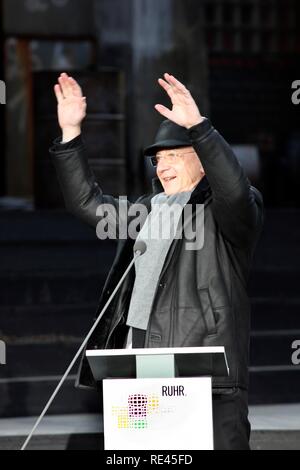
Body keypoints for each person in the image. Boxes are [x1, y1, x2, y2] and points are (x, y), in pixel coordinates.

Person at [50, 72, 264, 450]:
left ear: (203, 163)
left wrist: (199, 128)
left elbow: (233, 189)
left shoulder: (228, 210)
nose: (162, 167)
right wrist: (70, 133)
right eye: (158, 160)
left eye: (174, 157)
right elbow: (87, 204)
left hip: (208, 379)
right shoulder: (146, 211)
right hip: (140, 371)